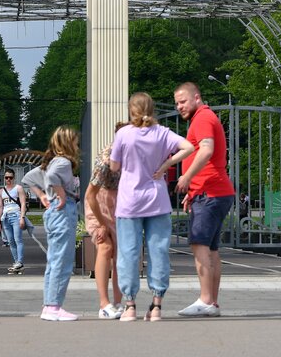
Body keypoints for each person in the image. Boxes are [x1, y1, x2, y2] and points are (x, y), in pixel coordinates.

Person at [111, 92, 195, 323]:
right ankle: (156, 306)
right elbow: (188, 147)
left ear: (131, 110)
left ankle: (129, 306)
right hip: (157, 201)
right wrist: (167, 163)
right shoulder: (162, 133)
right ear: (152, 109)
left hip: (129, 202)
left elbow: (114, 166)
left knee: (128, 253)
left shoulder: (123, 134)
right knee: (158, 252)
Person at [173, 82, 236, 318]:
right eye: (177, 103)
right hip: (214, 193)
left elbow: (206, 150)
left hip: (210, 195)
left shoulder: (202, 118)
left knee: (200, 246)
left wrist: (187, 177)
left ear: (196, 97)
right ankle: (212, 302)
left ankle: (206, 300)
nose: (179, 106)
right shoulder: (205, 117)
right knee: (211, 249)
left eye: (183, 101)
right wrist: (193, 191)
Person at [21, 126, 83, 322]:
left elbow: (28, 178)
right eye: (74, 141)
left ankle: (49, 304)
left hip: (55, 211)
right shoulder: (63, 162)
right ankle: (53, 306)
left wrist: (42, 195)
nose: (77, 145)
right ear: (67, 143)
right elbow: (52, 177)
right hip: (63, 211)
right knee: (62, 261)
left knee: (55, 260)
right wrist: (62, 194)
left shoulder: (53, 161)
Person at [84, 123, 126, 319]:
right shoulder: (105, 157)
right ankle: (104, 304)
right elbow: (90, 195)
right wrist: (101, 223)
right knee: (105, 246)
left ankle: (119, 303)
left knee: (121, 255)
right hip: (99, 202)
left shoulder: (136, 153)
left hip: (122, 202)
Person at [0, 170, 27, 274]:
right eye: (6, 177)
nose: (8, 179)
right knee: (11, 241)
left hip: (16, 216)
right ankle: (16, 264)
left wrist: (22, 217)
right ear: (4, 178)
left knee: (18, 239)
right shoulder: (1, 191)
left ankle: (20, 261)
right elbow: (0, 207)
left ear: (14, 178)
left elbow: (23, 204)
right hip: (5, 218)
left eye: (10, 177)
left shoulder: (18, 188)